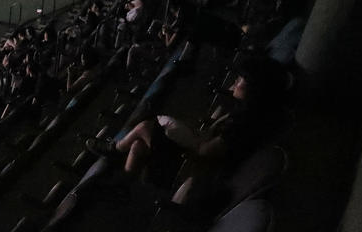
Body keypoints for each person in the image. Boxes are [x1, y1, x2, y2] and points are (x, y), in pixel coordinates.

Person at [88, 55, 286, 185]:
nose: (235, 81)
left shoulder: (243, 123)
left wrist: (186, 135)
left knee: (144, 126)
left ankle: (114, 149)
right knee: (138, 145)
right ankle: (124, 183)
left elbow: (204, 152)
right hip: (192, 159)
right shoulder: (248, 113)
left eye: (241, 78)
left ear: (255, 88)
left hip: (189, 168)